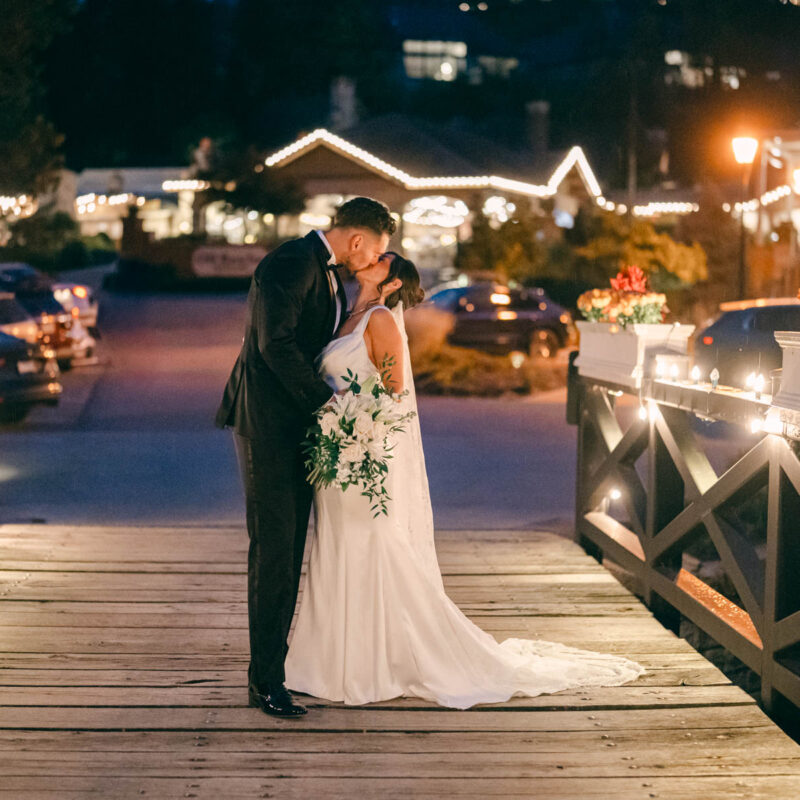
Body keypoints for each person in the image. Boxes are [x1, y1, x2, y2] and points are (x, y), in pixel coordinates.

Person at [284, 252, 645, 708]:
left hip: (362, 456)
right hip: (335, 457)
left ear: (392, 285)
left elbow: (393, 396)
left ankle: (375, 660)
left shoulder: (381, 321)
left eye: (383, 260)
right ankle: (328, 659)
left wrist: (353, 426)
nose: (372, 259)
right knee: (336, 547)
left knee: (369, 544)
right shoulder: (347, 315)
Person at [215, 197, 396, 717]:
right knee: (275, 551)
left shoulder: (327, 272)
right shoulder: (293, 263)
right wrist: (328, 404)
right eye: (375, 251)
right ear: (357, 240)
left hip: (296, 426)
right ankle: (265, 682)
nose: (375, 261)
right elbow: (274, 344)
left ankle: (275, 670)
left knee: (290, 549)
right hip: (267, 425)